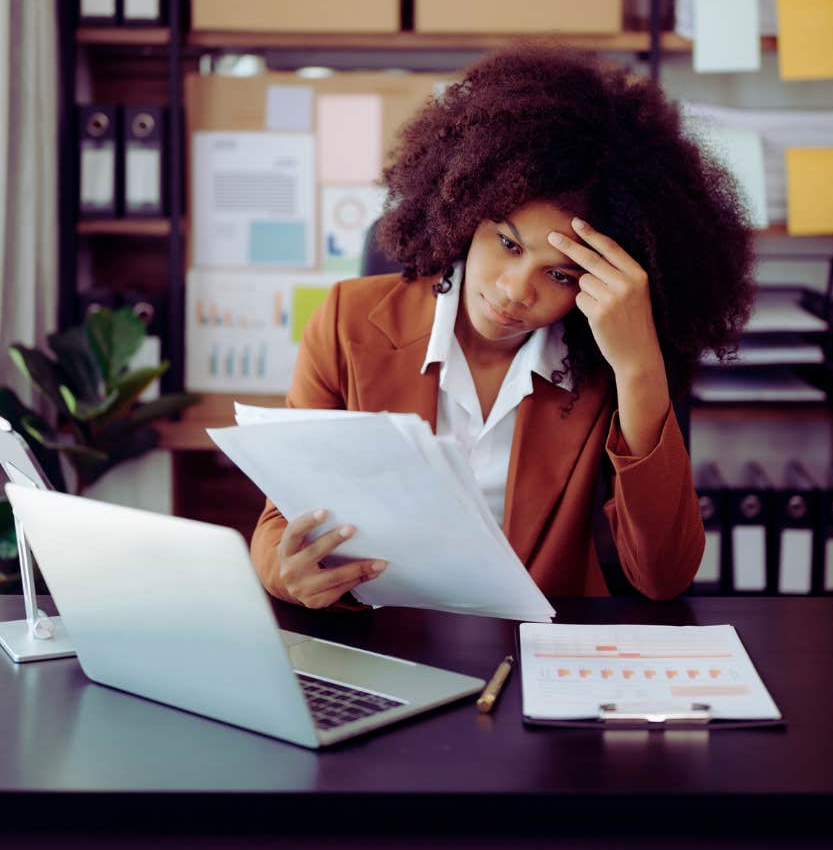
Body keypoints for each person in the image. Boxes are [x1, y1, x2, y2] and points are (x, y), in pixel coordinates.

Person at [250, 44, 755, 609]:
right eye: (507, 244)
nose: (517, 290)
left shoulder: (605, 361)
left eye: (561, 274)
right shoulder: (348, 322)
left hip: (538, 659)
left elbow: (663, 577)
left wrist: (639, 368)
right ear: (465, 214)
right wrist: (284, 573)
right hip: (390, 639)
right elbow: (279, 523)